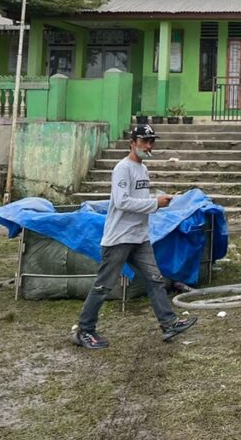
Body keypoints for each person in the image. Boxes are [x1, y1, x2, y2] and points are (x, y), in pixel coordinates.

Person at [71, 124, 197, 349]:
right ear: (132, 143)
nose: (148, 146)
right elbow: (121, 201)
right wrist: (153, 203)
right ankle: (84, 330)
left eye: (151, 141)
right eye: (144, 141)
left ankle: (169, 323)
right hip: (119, 237)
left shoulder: (143, 169)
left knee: (155, 279)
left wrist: (159, 201)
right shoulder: (122, 168)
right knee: (104, 285)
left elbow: (139, 198)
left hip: (139, 237)